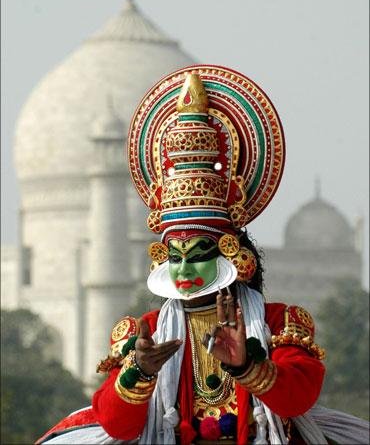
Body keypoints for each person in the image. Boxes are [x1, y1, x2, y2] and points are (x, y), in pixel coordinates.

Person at [37, 66, 368, 445]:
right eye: (174, 257)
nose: (184, 270)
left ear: (230, 253)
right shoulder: (144, 334)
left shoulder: (280, 325)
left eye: (197, 254)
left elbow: (298, 399)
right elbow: (118, 426)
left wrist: (247, 364)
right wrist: (139, 372)